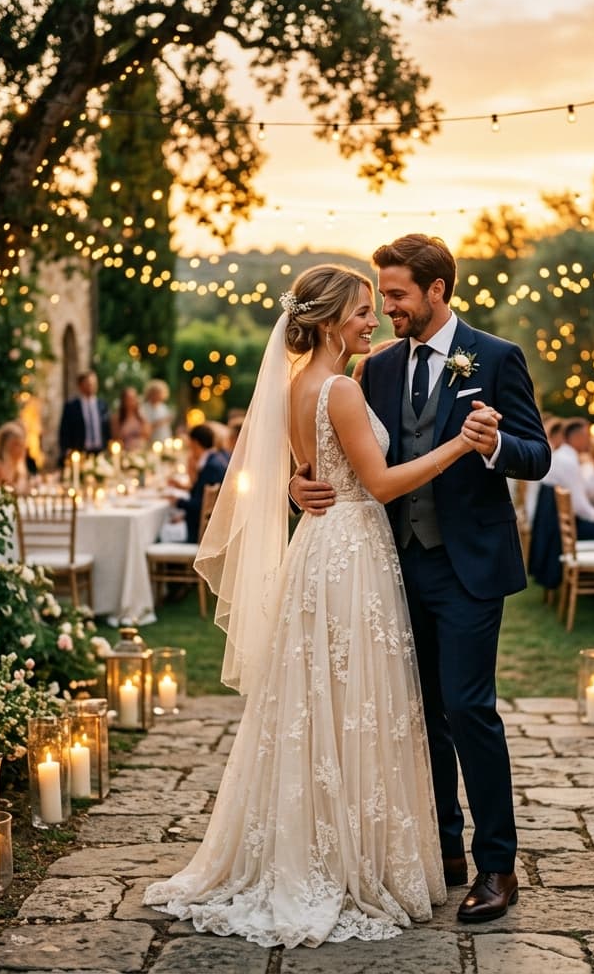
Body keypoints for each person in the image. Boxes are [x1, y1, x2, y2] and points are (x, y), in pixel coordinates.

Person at [145, 263, 485, 945]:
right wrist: (458, 444)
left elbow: (307, 469)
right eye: (363, 310)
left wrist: (304, 485)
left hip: (318, 550)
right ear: (331, 319)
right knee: (354, 703)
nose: (372, 320)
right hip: (353, 551)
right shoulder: (341, 391)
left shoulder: (300, 383)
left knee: (319, 703)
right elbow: (382, 483)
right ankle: (346, 858)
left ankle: (316, 841)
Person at [291, 234, 551, 923]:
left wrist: (495, 445)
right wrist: (298, 483)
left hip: (467, 568)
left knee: (469, 710)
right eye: (381, 296)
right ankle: (443, 851)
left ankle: (498, 864)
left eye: (398, 295)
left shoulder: (495, 358)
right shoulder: (372, 369)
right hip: (391, 567)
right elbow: (341, 451)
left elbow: (539, 454)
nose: (388, 309)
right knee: (417, 716)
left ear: (439, 291)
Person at [543, 417, 594, 539]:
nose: (591, 441)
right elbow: (578, 505)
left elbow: (587, 492)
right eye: (588, 436)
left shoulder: (566, 456)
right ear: (576, 438)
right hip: (560, 531)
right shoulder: (567, 461)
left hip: (556, 526)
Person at [176, 424, 229, 543]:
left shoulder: (211, 466)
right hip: (206, 527)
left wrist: (176, 501)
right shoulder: (216, 459)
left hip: (197, 534)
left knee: (162, 533)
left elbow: (199, 505)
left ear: (194, 443)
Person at [58, 370, 110, 459]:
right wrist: (66, 450)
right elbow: (64, 431)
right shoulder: (71, 407)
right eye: (88, 383)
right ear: (80, 385)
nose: (92, 386)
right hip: (80, 452)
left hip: (100, 452)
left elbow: (107, 429)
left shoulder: (102, 405)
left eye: (94, 383)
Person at [112, 386, 151, 452]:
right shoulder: (117, 417)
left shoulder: (142, 414)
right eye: (128, 398)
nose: (131, 401)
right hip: (125, 451)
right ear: (123, 400)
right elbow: (116, 437)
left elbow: (147, 434)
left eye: (133, 398)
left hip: (141, 449)